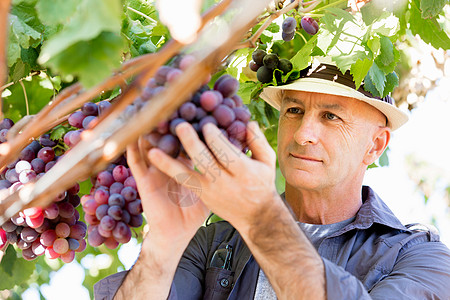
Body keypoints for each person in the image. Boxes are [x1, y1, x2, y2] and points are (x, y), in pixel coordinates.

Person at [94, 61, 450, 299]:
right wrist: (163, 245)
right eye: (294, 111)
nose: (303, 134)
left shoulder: (421, 258)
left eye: (330, 117)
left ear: (375, 145)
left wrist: (261, 219)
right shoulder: (211, 243)